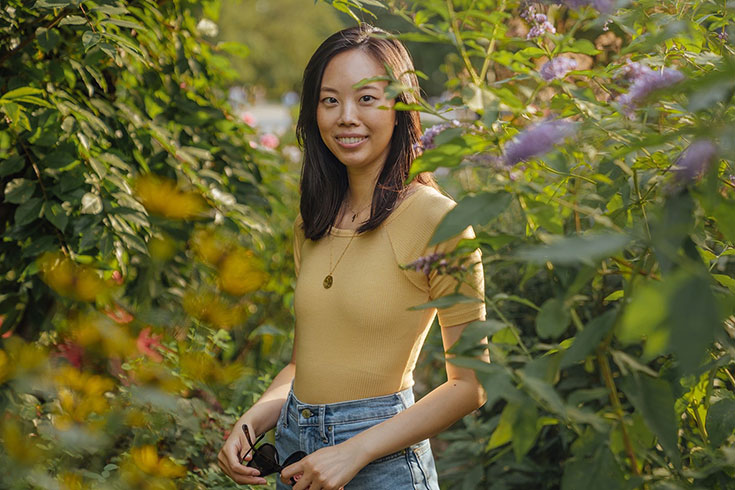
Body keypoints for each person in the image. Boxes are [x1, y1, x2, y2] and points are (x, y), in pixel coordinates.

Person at [218, 24, 489, 490]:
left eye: (367, 98)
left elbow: (470, 385)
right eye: (330, 100)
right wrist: (257, 414)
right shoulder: (313, 221)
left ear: (400, 107)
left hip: (383, 463)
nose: (346, 117)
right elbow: (307, 361)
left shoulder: (438, 221)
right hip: (296, 456)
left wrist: (354, 450)